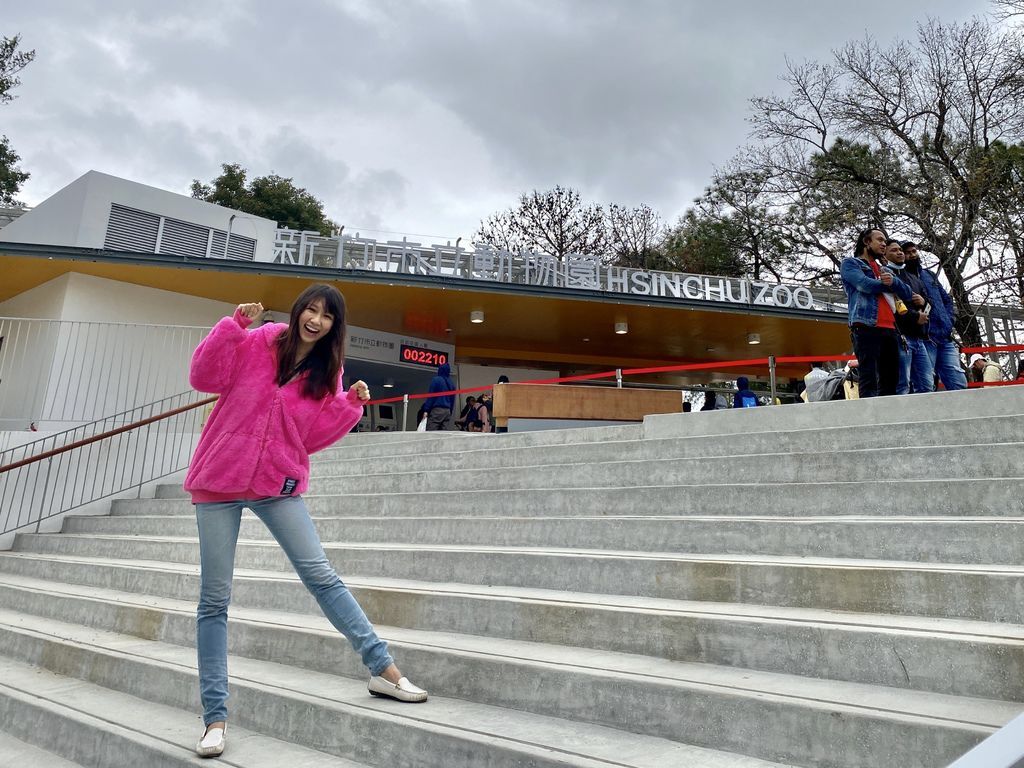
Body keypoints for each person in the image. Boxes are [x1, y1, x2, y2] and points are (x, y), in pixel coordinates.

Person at [184, 285, 427, 759]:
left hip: (277, 482)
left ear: (336, 327)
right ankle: (215, 717)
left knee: (321, 575)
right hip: (220, 477)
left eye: (327, 316)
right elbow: (203, 377)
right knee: (214, 600)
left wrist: (349, 406)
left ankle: (383, 669)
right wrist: (233, 328)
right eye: (311, 310)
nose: (315, 320)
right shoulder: (260, 340)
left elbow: (309, 437)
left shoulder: (328, 371)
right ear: (298, 312)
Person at [840, 228, 914, 397]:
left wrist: (893, 281)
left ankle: (887, 418)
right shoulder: (851, 263)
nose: (883, 244)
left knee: (891, 379)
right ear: (866, 242)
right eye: (879, 240)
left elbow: (908, 293)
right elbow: (863, 285)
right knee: (869, 378)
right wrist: (887, 284)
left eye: (885, 241)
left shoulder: (884, 269)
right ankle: (870, 420)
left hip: (891, 329)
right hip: (866, 326)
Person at [902, 241, 967, 392]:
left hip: (944, 337)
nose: (912, 255)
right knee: (925, 384)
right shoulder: (903, 278)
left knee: (958, 381)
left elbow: (946, 299)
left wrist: (949, 320)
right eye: (908, 252)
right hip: (925, 338)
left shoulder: (929, 275)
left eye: (914, 251)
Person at [883, 239, 934, 394]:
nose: (899, 252)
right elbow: (892, 305)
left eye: (900, 250)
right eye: (894, 250)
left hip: (919, 338)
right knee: (902, 384)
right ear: (884, 255)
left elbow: (930, 303)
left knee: (927, 385)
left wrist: (923, 302)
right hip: (900, 337)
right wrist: (914, 317)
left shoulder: (914, 278)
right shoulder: (885, 275)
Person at [422, 362, 455, 431]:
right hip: (447, 411)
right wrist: (450, 411)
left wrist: (426, 410)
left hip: (437, 410)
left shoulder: (436, 380)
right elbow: (452, 400)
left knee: (431, 432)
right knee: (443, 434)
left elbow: (431, 396)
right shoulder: (451, 383)